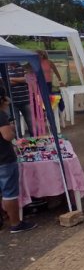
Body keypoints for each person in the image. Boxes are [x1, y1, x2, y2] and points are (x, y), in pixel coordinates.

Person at [0, 87, 37, 233]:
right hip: (4, 159)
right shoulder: (1, 115)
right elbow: (7, 136)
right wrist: (11, 129)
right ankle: (15, 223)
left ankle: (3, 218)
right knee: (10, 193)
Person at [1, 62, 33, 136]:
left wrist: (10, 79)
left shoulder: (22, 67)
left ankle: (35, 142)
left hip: (25, 100)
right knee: (16, 126)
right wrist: (20, 80)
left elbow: (28, 79)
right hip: (12, 102)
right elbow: (4, 83)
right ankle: (20, 144)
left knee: (31, 123)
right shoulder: (4, 68)